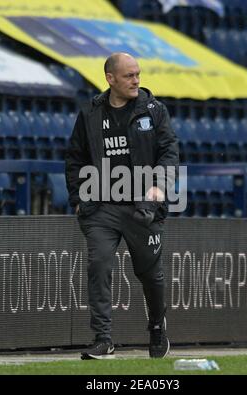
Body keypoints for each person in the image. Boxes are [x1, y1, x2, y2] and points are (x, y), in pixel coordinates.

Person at [65, 52, 179, 359]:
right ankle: (103, 339)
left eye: (138, 74)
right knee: (99, 265)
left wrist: (158, 186)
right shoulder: (90, 112)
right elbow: (75, 157)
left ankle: (157, 327)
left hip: (143, 207)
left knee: (150, 275)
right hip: (102, 207)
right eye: (129, 76)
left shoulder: (154, 110)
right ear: (110, 78)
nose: (136, 81)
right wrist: (78, 199)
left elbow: (169, 152)